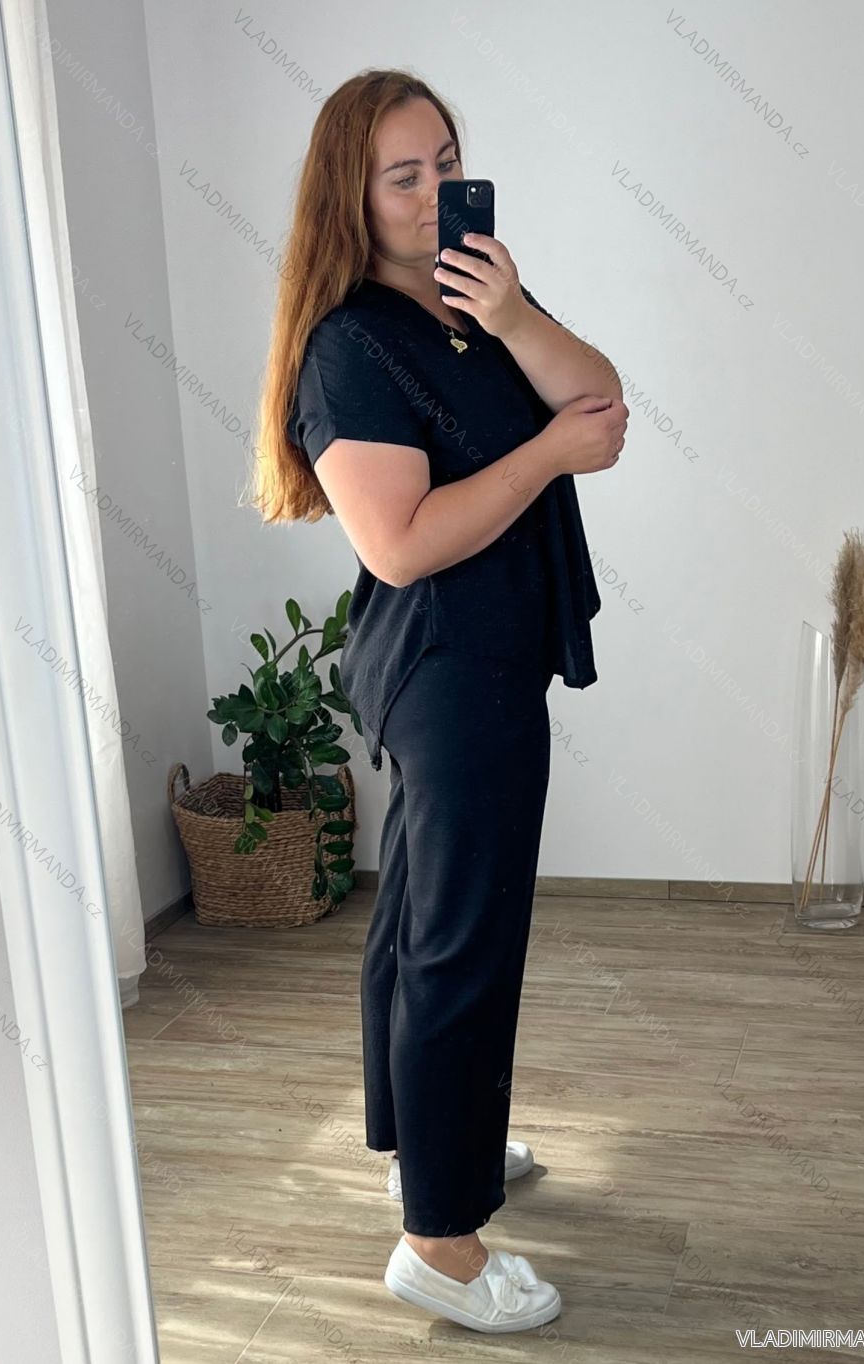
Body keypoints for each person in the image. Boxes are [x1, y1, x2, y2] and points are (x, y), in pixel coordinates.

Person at [249, 68, 627, 1335]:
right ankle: (440, 1244)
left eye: (445, 162)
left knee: (419, 913)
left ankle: (427, 1147)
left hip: (483, 650)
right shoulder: (348, 345)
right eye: (401, 175)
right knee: (463, 936)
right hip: (445, 663)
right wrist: (546, 452)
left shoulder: (475, 296)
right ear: (349, 197)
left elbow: (596, 392)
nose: (431, 193)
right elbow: (401, 542)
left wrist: (514, 314)